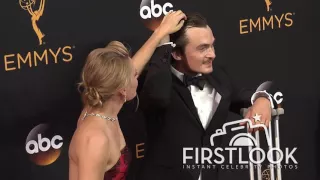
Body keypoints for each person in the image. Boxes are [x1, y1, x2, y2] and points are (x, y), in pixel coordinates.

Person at [137, 11, 276, 180]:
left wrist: (262, 99)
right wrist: (162, 39)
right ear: (176, 53)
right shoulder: (156, 80)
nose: (212, 54)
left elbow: (245, 95)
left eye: (212, 45)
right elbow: (157, 96)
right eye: (203, 48)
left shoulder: (218, 77)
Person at [68, 11, 187, 180]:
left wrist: (160, 32)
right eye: (134, 76)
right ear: (122, 90)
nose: (137, 76)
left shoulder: (103, 108)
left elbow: (129, 69)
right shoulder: (95, 140)